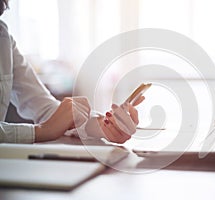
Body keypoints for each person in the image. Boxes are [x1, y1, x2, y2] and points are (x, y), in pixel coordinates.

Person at [0, 0, 143, 144]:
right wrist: (41, 131)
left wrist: (102, 126)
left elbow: (45, 109)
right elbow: (50, 126)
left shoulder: (4, 37)